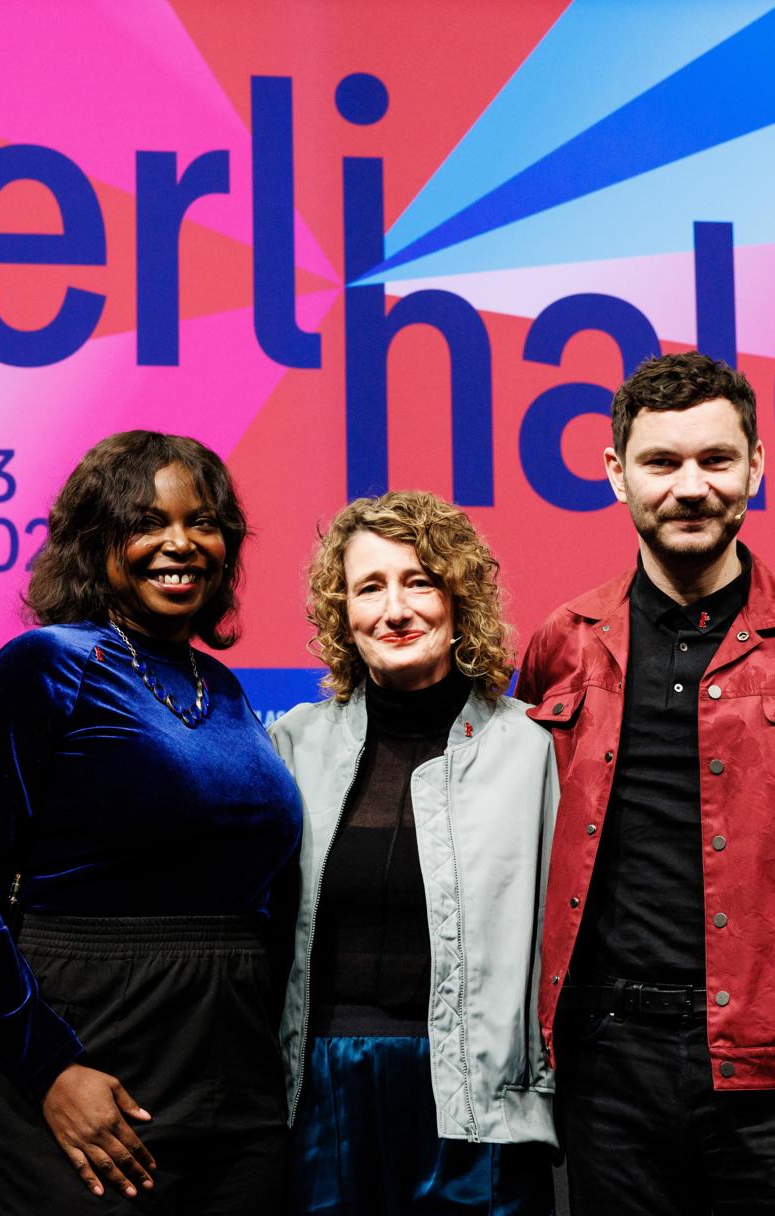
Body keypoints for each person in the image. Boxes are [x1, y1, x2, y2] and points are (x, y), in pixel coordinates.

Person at [516, 352, 775, 1216]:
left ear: (756, 468)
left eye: (715, 459)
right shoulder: (565, 641)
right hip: (609, 1068)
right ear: (616, 474)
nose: (690, 485)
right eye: (661, 462)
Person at [0, 430, 302, 1214]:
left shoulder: (223, 689)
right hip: (89, 1059)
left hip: (232, 1079)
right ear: (98, 543)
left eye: (203, 522)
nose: (180, 543)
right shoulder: (47, 666)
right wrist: (51, 1069)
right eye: (147, 522)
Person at [270, 491, 558, 1215]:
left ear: (459, 598)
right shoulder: (291, 747)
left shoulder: (535, 748)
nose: (395, 610)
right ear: (344, 614)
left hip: (482, 1105)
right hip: (323, 1094)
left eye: (419, 582)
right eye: (370, 588)